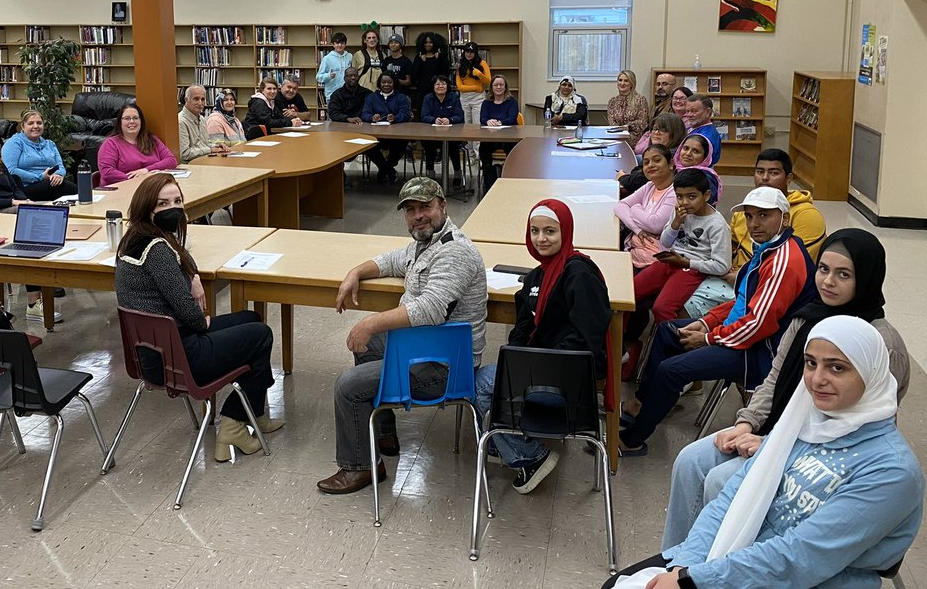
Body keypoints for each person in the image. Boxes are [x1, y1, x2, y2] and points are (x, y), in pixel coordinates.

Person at [606, 317, 923, 589]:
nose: (817, 379)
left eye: (837, 367)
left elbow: (800, 557)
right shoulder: (806, 425)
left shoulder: (891, 471)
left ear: (871, 374)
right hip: (738, 558)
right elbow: (731, 498)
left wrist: (695, 580)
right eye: (811, 363)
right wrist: (685, 565)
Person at [662, 229, 910, 549]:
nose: (828, 282)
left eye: (843, 274)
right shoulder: (806, 319)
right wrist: (746, 424)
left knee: (721, 482)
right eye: (823, 269)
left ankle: (713, 566)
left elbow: (868, 426)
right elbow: (774, 379)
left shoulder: (881, 343)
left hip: (823, 455)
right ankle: (674, 560)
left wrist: (771, 445)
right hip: (777, 429)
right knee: (690, 461)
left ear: (867, 278)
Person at [318, 177, 487, 495]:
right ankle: (382, 431)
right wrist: (356, 272)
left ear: (443, 206)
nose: (418, 215)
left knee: (348, 386)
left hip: (445, 367)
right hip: (422, 347)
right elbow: (391, 261)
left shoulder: (455, 252)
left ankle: (360, 467)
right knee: (367, 346)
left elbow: (431, 308)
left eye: (425, 207)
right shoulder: (425, 244)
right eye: (410, 210)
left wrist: (371, 323)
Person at [619, 187, 812, 456]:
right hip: (739, 335)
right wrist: (708, 322)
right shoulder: (768, 248)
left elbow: (758, 324)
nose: (754, 224)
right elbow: (744, 301)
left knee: (670, 370)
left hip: (759, 352)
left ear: (785, 218)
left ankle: (632, 440)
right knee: (666, 331)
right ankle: (643, 403)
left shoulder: (784, 262)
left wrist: (709, 337)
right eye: (750, 216)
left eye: (764, 216)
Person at [114, 172, 280, 461]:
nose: (173, 208)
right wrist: (203, 322)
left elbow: (181, 257)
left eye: (177, 201)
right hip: (177, 359)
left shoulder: (136, 239)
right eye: (163, 203)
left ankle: (255, 412)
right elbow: (190, 313)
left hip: (154, 353)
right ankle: (234, 423)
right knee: (260, 335)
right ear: (146, 206)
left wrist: (192, 276)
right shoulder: (157, 251)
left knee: (251, 318)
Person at [475, 200, 611, 492]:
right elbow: (522, 328)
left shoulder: (580, 274)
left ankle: (528, 454)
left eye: (550, 231)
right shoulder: (537, 276)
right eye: (534, 231)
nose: (541, 238)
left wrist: (534, 365)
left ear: (566, 232)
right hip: (543, 371)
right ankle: (508, 443)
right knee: (501, 372)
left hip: (572, 384)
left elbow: (587, 339)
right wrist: (519, 359)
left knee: (479, 383)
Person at [624, 168, 729, 360]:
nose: (685, 202)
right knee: (628, 293)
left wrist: (687, 262)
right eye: (680, 196)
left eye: (691, 196)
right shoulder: (679, 212)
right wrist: (676, 223)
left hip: (691, 268)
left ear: (706, 195)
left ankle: (672, 354)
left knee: (662, 309)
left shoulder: (717, 225)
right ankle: (624, 343)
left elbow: (722, 266)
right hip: (670, 260)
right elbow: (664, 243)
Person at [0, 120, 55, 323]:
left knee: (47, 213)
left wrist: (25, 200)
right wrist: (14, 202)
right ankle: (34, 300)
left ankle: (48, 279)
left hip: (14, 205)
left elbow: (14, 186)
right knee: (30, 227)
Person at [726, 149, 825, 275]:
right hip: (732, 276)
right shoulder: (744, 211)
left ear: (788, 179)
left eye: (773, 173)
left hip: (771, 279)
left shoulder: (806, 215)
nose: (764, 178)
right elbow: (729, 247)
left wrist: (743, 276)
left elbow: (795, 265)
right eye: (760, 172)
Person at [614, 144, 676, 270]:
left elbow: (655, 225)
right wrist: (637, 229)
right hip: (638, 249)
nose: (651, 165)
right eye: (646, 162)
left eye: (657, 160)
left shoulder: (675, 192)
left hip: (656, 259)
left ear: (670, 164)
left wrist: (635, 208)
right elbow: (620, 206)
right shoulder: (650, 186)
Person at [1, 109, 78, 201]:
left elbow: (60, 166)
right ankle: (85, 196)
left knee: (59, 185)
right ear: (22, 126)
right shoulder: (14, 143)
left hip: (49, 184)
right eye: (30, 123)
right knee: (63, 187)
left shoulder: (50, 144)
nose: (36, 126)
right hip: (24, 188)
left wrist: (58, 174)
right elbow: (11, 171)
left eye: (39, 123)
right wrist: (40, 177)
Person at [97, 102, 177, 185]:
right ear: (120, 122)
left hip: (150, 186)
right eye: (127, 118)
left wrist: (146, 170)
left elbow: (171, 160)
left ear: (141, 121)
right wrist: (137, 179)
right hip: (121, 187)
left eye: (135, 118)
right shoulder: (110, 144)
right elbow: (107, 171)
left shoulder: (152, 139)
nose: (132, 121)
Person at [619, 113, 686, 196]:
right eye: (654, 129)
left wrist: (622, 177)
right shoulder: (659, 151)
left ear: (675, 134)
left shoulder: (671, 155)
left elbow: (637, 181)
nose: (656, 133)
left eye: (663, 130)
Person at [361, 73, 411, 183]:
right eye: (383, 82)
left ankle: (385, 168)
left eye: (389, 82)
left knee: (403, 143)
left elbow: (406, 114)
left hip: (396, 135)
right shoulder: (371, 97)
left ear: (394, 83)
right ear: (379, 83)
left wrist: (395, 118)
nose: (386, 85)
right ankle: (387, 169)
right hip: (376, 135)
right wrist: (372, 117)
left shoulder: (401, 97)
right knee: (367, 144)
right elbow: (364, 114)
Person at [419, 74, 465, 186]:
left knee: (453, 146)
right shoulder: (428, 98)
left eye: (443, 84)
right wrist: (434, 120)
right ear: (433, 86)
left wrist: (450, 120)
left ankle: (457, 173)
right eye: (437, 84)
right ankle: (430, 173)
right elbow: (424, 116)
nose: (440, 86)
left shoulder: (454, 97)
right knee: (429, 145)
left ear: (448, 86)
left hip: (451, 134)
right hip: (432, 134)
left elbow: (460, 116)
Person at [479, 74, 520, 192]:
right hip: (491, 137)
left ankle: (508, 180)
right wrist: (488, 121)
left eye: (501, 85)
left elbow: (512, 118)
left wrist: (499, 122)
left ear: (505, 87)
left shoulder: (512, 102)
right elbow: (482, 118)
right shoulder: (486, 103)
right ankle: (489, 184)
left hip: (508, 137)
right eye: (496, 85)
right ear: (491, 87)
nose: (498, 87)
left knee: (512, 150)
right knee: (484, 149)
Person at [455, 42, 491, 161]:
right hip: (465, 98)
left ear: (475, 53)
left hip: (478, 98)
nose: (469, 54)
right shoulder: (461, 65)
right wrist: (476, 87)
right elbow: (460, 86)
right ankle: (470, 156)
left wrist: (480, 75)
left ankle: (479, 156)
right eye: (467, 51)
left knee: (477, 127)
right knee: (467, 127)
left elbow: (488, 81)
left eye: (471, 52)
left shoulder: (482, 63)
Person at [179, 84, 227, 162]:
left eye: (203, 99)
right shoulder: (181, 122)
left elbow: (204, 144)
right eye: (196, 99)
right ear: (186, 100)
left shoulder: (202, 119)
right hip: (190, 165)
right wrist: (210, 150)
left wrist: (216, 146)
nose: (200, 103)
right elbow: (185, 154)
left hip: (204, 161)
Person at [607, 69, 650, 143]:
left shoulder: (640, 100)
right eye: (620, 80)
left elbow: (642, 122)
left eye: (626, 81)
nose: (622, 83)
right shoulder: (612, 101)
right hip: (617, 139)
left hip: (635, 141)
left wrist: (627, 127)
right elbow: (611, 123)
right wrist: (620, 130)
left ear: (632, 83)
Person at [411, 31, 451, 107]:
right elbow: (414, 76)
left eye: (430, 42)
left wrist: (440, 59)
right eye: (425, 42)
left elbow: (445, 73)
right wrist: (420, 61)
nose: (428, 44)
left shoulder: (441, 57)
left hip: (438, 90)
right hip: (422, 90)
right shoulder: (418, 58)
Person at [683, 94, 722, 165]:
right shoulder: (691, 128)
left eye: (694, 111)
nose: (689, 115)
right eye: (687, 111)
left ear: (707, 112)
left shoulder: (707, 136)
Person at [316, 32, 353, 98]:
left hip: (348, 93)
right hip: (332, 94)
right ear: (333, 44)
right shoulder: (327, 59)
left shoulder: (350, 56)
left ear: (345, 44)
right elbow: (318, 77)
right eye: (337, 43)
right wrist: (328, 76)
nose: (340, 45)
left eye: (342, 43)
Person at [351, 27, 385, 92]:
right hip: (363, 89)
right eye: (369, 38)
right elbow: (353, 74)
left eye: (374, 37)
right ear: (364, 40)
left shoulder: (382, 55)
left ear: (377, 40)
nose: (371, 40)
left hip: (379, 90)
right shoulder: (358, 55)